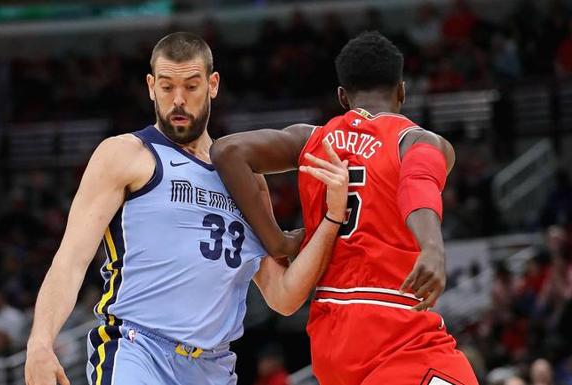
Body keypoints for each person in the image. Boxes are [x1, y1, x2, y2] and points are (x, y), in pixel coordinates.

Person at [24, 32, 349, 385]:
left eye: (191, 87)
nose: (178, 100)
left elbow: (284, 297)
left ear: (213, 84)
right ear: (151, 87)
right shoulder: (126, 154)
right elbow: (70, 259)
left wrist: (331, 219)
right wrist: (40, 343)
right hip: (138, 350)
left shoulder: (246, 180)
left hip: (214, 366)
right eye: (166, 87)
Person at [211, 31, 479, 385]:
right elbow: (419, 185)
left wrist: (276, 242)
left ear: (342, 95)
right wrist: (431, 246)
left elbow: (226, 151)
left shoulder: (310, 139)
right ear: (402, 90)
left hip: (330, 335)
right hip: (397, 329)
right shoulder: (418, 140)